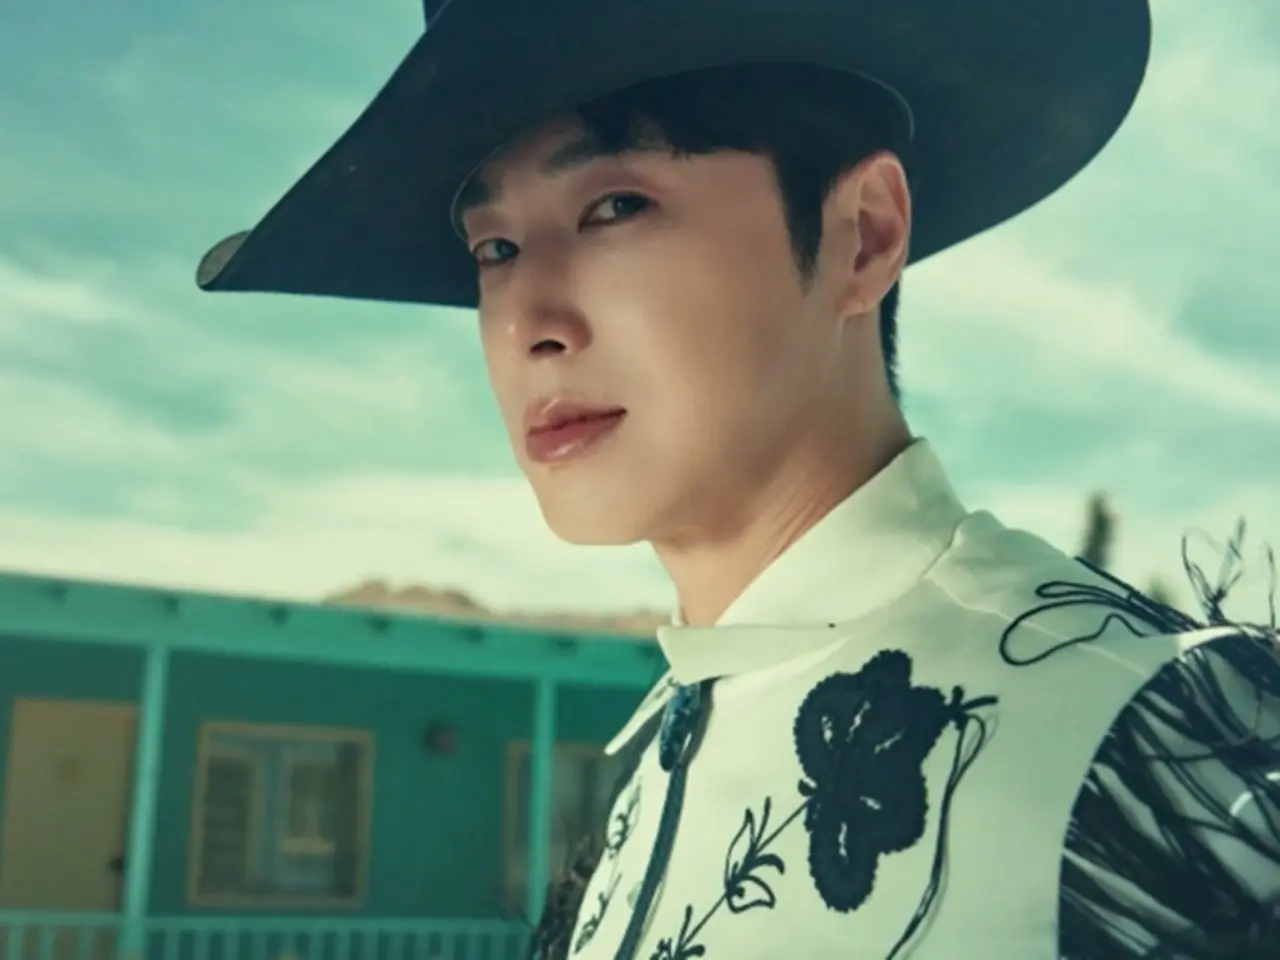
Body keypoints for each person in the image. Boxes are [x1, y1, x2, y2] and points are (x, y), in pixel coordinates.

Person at [195, 1, 1280, 956]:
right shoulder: (658, 773)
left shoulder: (1151, 754)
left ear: (862, 236)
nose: (528, 323)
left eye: (614, 206)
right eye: (495, 251)